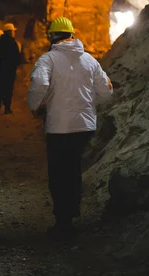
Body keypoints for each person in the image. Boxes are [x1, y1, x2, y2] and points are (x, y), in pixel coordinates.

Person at [27, 16, 113, 240]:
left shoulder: (48, 60)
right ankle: (73, 213)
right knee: (74, 169)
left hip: (58, 127)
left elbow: (39, 83)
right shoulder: (90, 60)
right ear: (72, 35)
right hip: (84, 126)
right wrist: (88, 103)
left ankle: (62, 221)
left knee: (58, 172)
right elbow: (106, 91)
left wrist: (35, 106)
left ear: (52, 37)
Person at [0, 23, 21, 114]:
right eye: (13, 31)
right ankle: (7, 108)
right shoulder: (13, 43)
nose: (14, 33)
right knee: (8, 89)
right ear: (10, 32)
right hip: (9, 70)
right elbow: (17, 57)